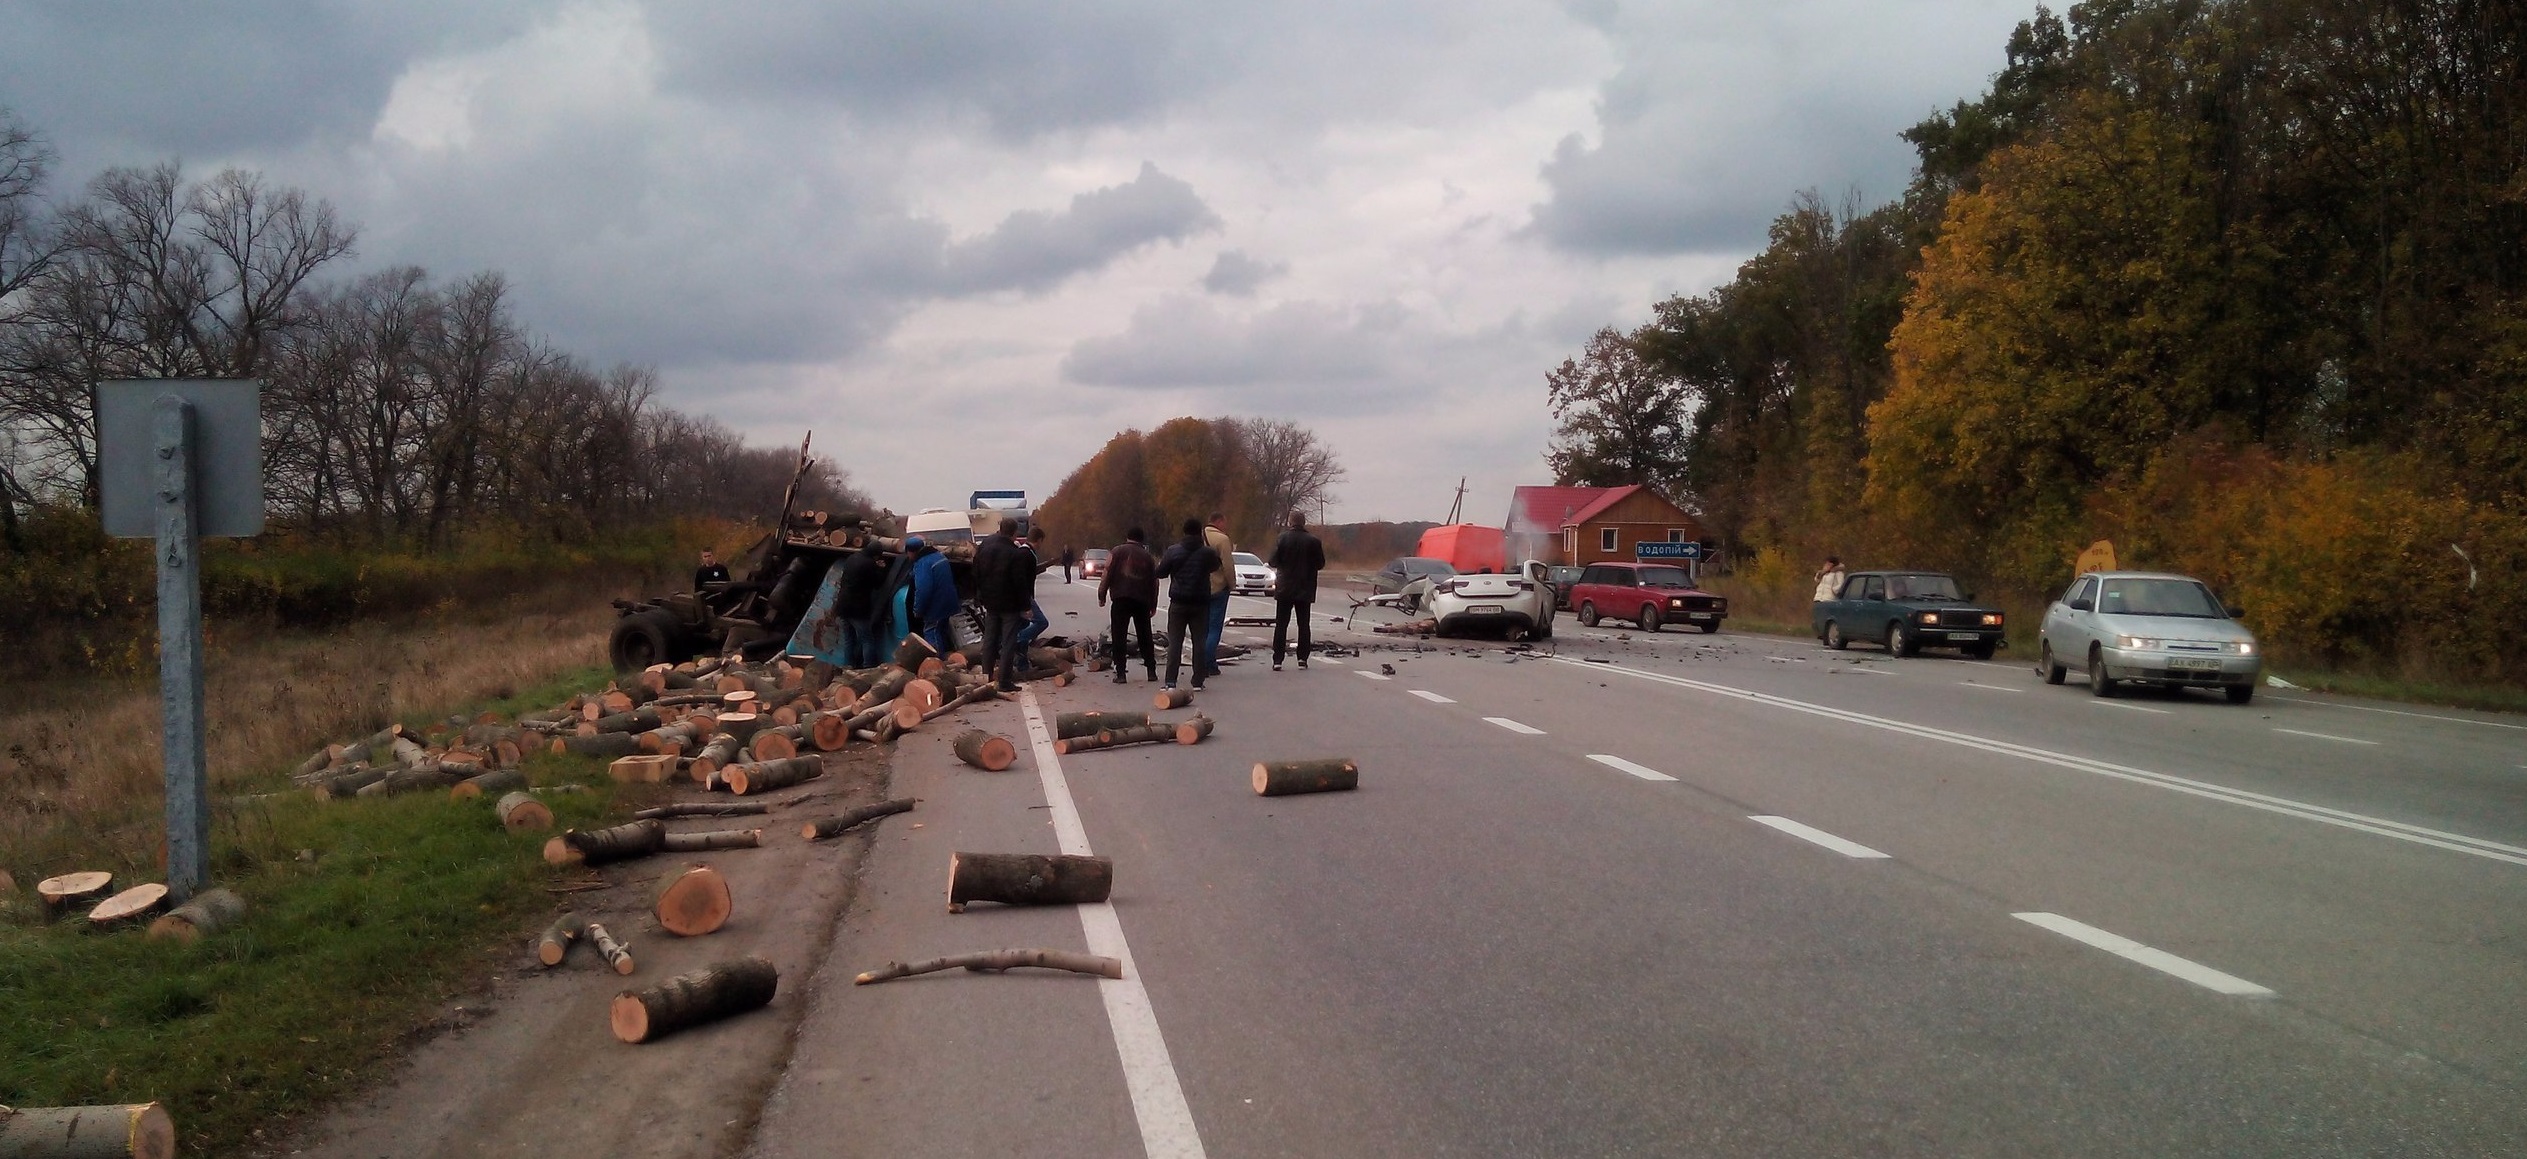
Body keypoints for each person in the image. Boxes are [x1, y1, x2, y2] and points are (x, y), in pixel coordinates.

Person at [973, 517, 1040, 693]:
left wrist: (979, 594)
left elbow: (976, 571)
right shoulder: (1014, 552)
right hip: (1009, 604)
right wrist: (1026, 606)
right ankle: (1004, 681)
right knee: (1008, 641)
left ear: (999, 529)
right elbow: (1020, 582)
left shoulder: (984, 546)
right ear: (1014, 532)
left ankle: (986, 678)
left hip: (990, 601)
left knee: (989, 640)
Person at [1155, 518, 1220, 690]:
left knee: (1175, 642)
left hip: (1178, 601)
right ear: (1200, 532)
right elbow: (1216, 566)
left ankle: (1170, 681)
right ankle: (1198, 680)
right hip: (1200, 602)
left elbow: (1160, 573)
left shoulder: (1173, 551)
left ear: (1183, 532)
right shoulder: (1208, 552)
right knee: (1199, 641)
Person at [1099, 527, 1160, 683]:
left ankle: (1121, 673)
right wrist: (1153, 604)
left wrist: (1102, 594)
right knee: (1145, 635)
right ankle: (1151, 671)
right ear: (1142, 539)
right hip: (1141, 600)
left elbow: (1107, 573)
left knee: (1119, 635)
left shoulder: (1117, 551)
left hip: (1120, 598)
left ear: (1127, 537)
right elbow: (1154, 582)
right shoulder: (1147, 557)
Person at [1267, 511, 1326, 670]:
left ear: (1290, 522)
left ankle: (1278, 659)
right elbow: (1321, 564)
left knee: (1281, 624)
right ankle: (1302, 658)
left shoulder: (1282, 539)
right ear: (1304, 522)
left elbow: (1272, 561)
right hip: (1305, 587)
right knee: (1304, 624)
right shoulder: (1314, 541)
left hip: (1285, 587)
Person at [836, 539, 889, 669]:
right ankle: (868, 668)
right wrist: (880, 569)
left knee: (849, 639)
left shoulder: (852, 557)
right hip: (858, 609)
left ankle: (847, 666)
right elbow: (877, 584)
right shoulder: (869, 564)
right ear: (876, 554)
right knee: (867, 639)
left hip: (843, 605)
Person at [906, 536, 961, 658]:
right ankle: (947, 663)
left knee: (932, 634)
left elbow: (923, 589)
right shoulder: (939, 556)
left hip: (935, 607)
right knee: (942, 633)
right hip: (948, 602)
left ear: (911, 552)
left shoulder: (923, 563)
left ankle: (936, 665)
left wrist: (918, 610)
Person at [1200, 512, 1235, 678]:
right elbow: (1228, 566)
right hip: (1218, 587)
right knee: (1214, 627)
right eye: (1224, 522)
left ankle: (1200, 661)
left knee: (1202, 627)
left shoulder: (1199, 537)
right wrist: (1231, 584)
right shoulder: (1222, 540)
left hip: (1199, 588)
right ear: (1219, 521)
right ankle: (1208, 663)